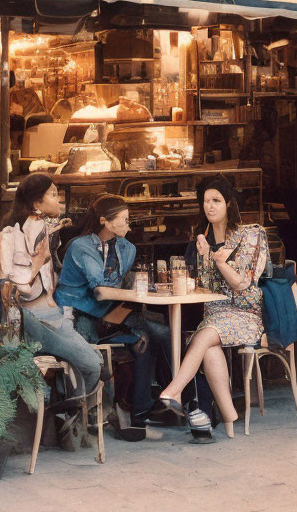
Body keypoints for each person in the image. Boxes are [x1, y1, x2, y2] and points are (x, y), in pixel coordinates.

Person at [156, 176, 270, 438]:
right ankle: (229, 415)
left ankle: (172, 391)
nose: (210, 206)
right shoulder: (202, 241)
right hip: (214, 316)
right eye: (206, 201)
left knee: (204, 335)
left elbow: (242, 284)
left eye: (216, 200)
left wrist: (219, 262)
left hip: (245, 315)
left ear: (228, 203)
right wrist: (205, 256)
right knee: (208, 344)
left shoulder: (251, 234)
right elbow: (207, 289)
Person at [54, 194, 175, 432]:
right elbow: (100, 290)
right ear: (105, 221)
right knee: (155, 334)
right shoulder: (80, 246)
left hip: (108, 314)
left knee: (153, 336)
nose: (129, 224)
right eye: (123, 219)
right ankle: (174, 395)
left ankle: (144, 409)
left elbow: (118, 286)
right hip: (76, 313)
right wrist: (137, 295)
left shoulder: (127, 248)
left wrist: (134, 293)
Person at [0, 174, 104, 398]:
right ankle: (59, 416)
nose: (60, 201)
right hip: (29, 323)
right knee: (89, 365)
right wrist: (35, 265)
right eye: (54, 195)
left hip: (57, 318)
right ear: (37, 203)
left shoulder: (45, 231)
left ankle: (70, 415)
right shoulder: (10, 235)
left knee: (94, 364)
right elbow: (9, 293)